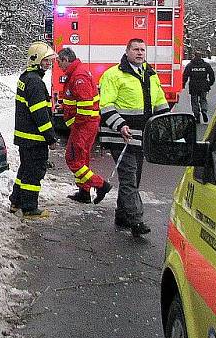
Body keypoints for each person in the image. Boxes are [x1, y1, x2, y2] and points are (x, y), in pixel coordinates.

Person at [98, 38, 170, 237]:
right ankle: (136, 221)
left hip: (141, 137)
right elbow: (106, 105)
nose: (140, 53)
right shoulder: (113, 75)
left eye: (142, 50)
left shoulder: (150, 74)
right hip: (119, 137)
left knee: (133, 178)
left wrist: (166, 125)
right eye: (136, 49)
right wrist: (120, 125)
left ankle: (122, 214)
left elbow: (160, 101)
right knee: (129, 177)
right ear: (127, 51)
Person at [56, 47, 112, 205]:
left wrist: (75, 124)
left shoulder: (79, 76)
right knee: (81, 158)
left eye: (59, 61)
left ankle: (101, 185)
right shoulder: (76, 73)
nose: (58, 65)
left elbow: (85, 105)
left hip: (83, 125)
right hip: (85, 124)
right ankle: (84, 192)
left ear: (67, 60)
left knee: (73, 160)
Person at [10, 41, 59, 219]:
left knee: (25, 170)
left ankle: (16, 201)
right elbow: (40, 114)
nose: (48, 64)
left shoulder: (25, 78)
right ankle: (30, 208)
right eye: (46, 60)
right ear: (36, 60)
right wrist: (50, 138)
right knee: (34, 173)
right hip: (34, 138)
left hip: (25, 138)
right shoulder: (36, 83)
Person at [183, 50, 216, 123]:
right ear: (201, 57)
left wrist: (183, 84)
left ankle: (196, 115)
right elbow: (212, 75)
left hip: (193, 86)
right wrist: (210, 83)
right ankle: (204, 110)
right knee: (203, 99)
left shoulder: (190, 65)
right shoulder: (206, 65)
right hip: (203, 85)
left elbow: (185, 76)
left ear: (194, 56)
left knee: (194, 101)